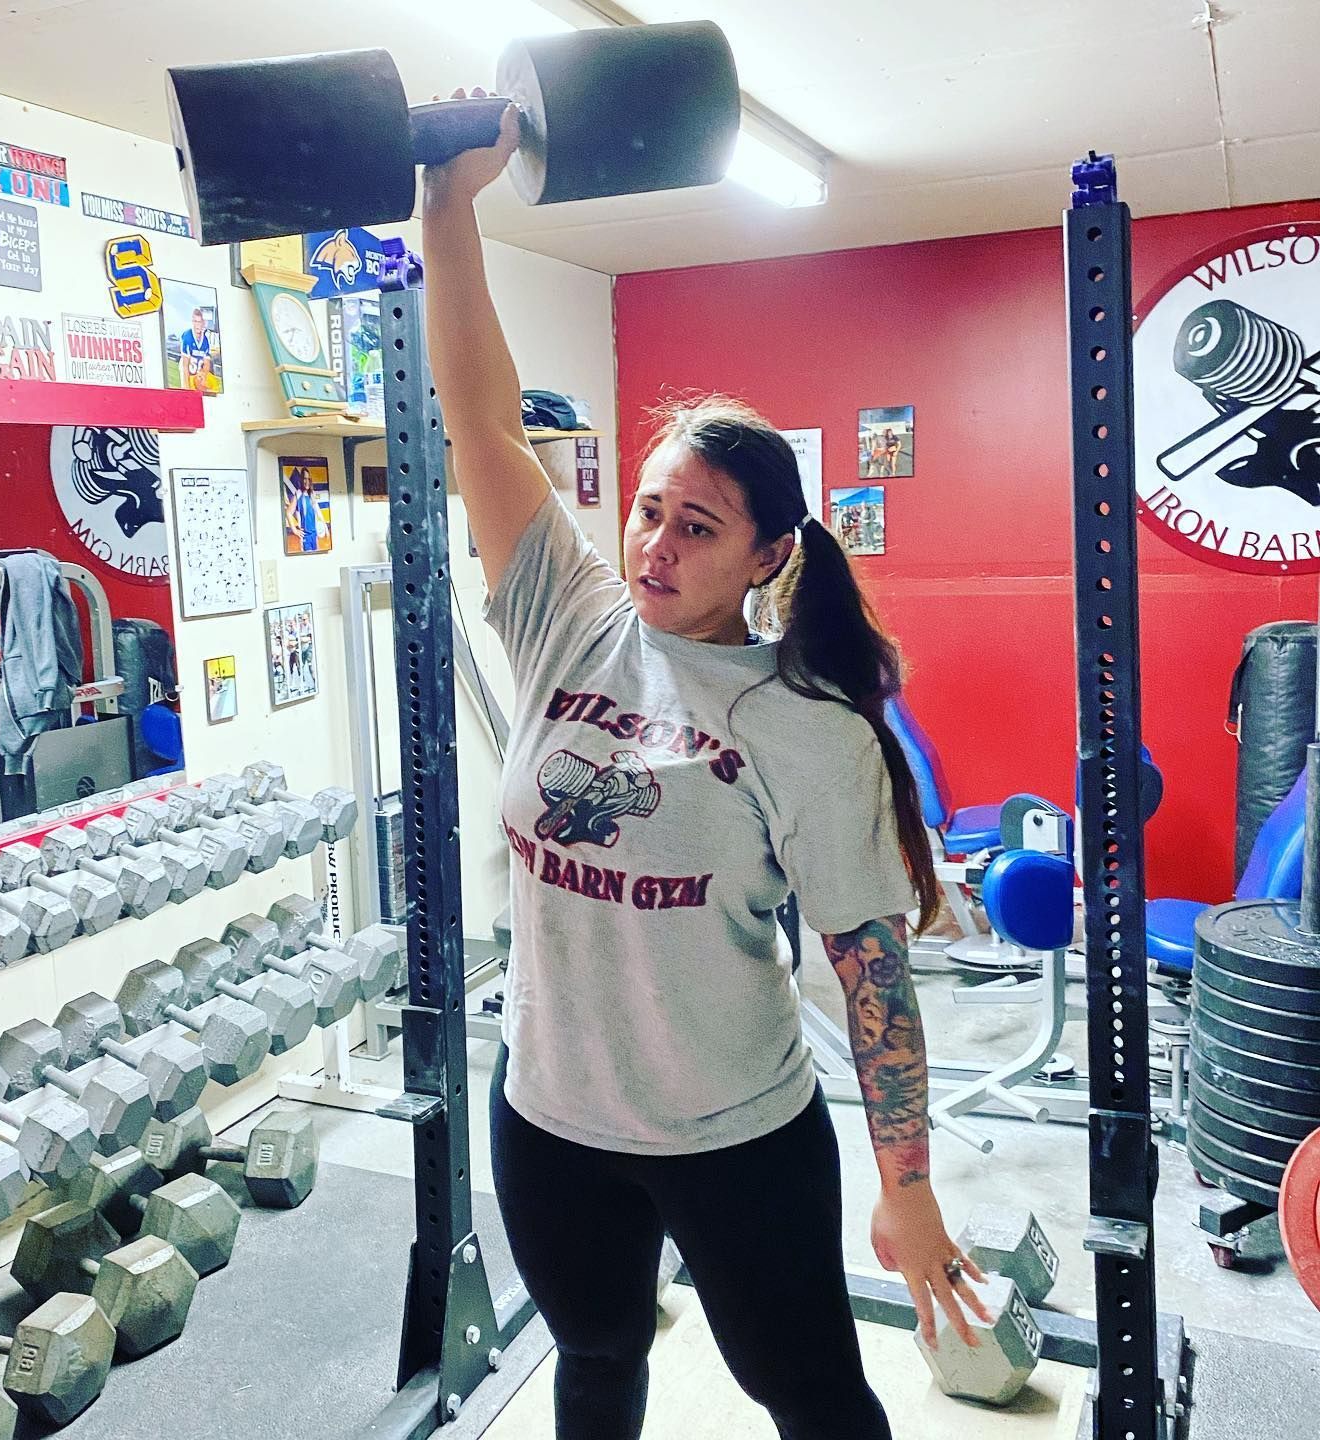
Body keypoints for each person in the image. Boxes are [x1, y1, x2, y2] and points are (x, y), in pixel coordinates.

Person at [423, 96, 987, 1440]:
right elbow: (483, 425)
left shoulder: (806, 723)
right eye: (649, 512)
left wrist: (905, 1182)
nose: (657, 544)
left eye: (698, 526)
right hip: (550, 1124)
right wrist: (449, 204)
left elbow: (868, 968)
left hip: (736, 1141)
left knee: (809, 1394)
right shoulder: (568, 610)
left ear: (767, 555)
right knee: (600, 1358)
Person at [179, 306, 215, 393]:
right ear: (192, 322)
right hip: (188, 371)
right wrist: (187, 388)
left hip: (197, 373)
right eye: (195, 321)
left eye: (199, 322)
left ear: (203, 323)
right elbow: (185, 366)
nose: (197, 325)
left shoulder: (205, 340)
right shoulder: (187, 336)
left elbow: (206, 363)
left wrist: (203, 374)